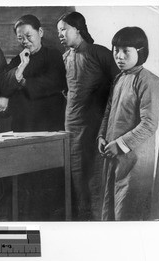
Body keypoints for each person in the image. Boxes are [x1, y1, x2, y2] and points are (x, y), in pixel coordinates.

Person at [0, 14, 66, 220]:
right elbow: (4, 84)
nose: (25, 41)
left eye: (29, 36)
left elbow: (55, 83)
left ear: (41, 33)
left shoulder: (53, 55)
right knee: (25, 175)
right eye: (20, 38)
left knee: (47, 174)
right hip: (23, 124)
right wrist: (20, 68)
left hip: (48, 121)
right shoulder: (17, 59)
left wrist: (23, 83)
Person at [57, 12, 119, 220]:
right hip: (70, 125)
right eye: (58, 31)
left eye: (63, 29)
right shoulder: (66, 56)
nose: (60, 34)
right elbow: (69, 88)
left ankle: (97, 222)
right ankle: (81, 221)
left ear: (78, 29)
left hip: (94, 125)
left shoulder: (98, 52)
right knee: (75, 176)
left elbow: (118, 83)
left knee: (93, 175)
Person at [98, 27, 159, 221]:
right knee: (110, 211)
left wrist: (120, 144)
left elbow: (149, 123)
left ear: (140, 52)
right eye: (116, 50)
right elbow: (108, 112)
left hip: (135, 160)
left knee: (127, 213)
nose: (119, 56)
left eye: (126, 51)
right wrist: (101, 136)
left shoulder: (148, 81)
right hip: (113, 156)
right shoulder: (118, 78)